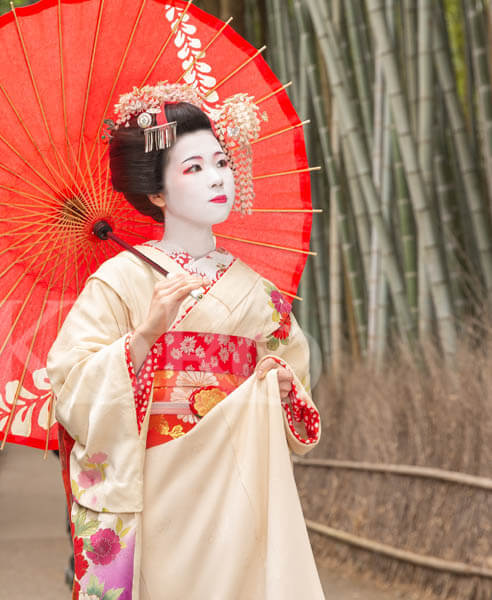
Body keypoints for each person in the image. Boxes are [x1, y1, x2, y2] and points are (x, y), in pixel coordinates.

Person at [46, 84, 324, 600]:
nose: (217, 177)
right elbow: (70, 381)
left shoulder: (258, 292)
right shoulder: (120, 281)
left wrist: (278, 386)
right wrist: (144, 335)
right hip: (156, 480)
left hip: (237, 480)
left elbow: (294, 377)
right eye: (193, 168)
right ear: (156, 192)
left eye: (220, 161)